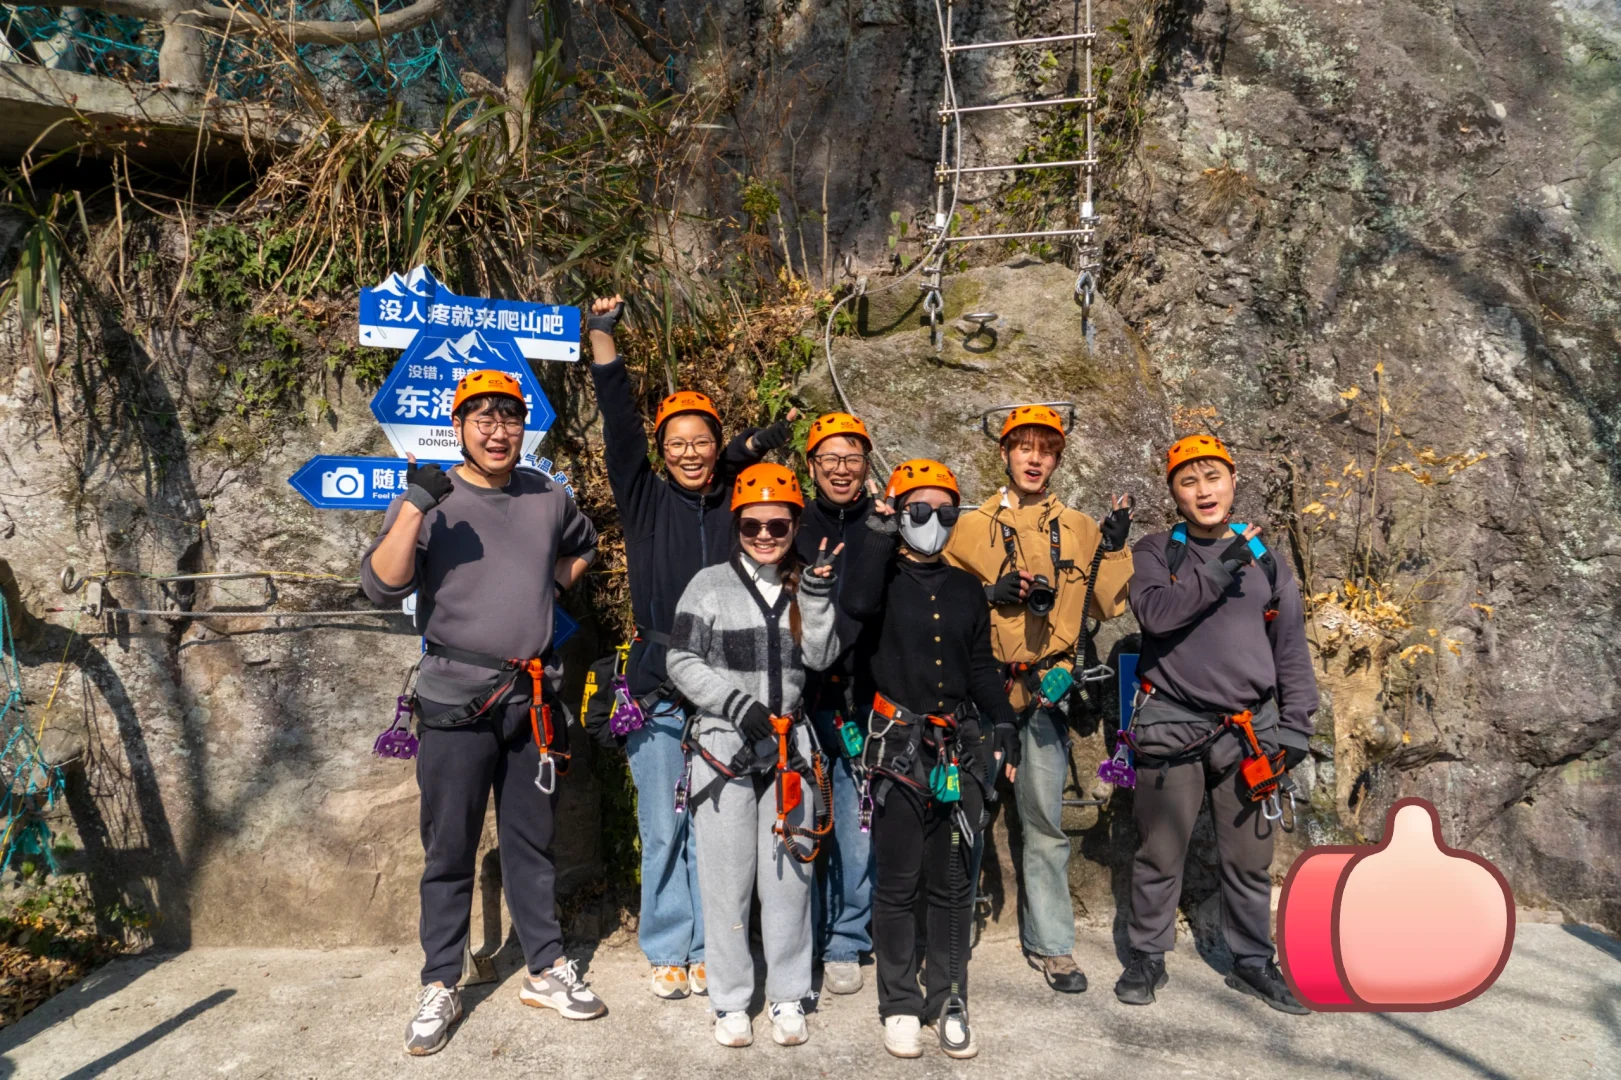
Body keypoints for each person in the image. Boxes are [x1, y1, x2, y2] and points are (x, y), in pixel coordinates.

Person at [361, 369, 607, 1057]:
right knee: (449, 849)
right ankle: (441, 980)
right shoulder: (433, 498)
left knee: (532, 843)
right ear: (459, 425)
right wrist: (412, 506)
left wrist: (549, 586)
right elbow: (381, 586)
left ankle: (544, 968)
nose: (498, 431)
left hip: (529, 702)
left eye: (509, 418)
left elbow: (583, 545)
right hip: (453, 700)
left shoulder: (545, 496)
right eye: (483, 418)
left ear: (522, 427)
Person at [585, 296, 794, 1000]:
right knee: (663, 822)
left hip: (727, 689)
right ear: (662, 448)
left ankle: (713, 946)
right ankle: (667, 945)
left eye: (700, 438)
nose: (689, 450)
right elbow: (618, 425)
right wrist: (602, 337)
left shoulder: (737, 502)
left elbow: (752, 470)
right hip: (653, 682)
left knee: (719, 827)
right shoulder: (643, 499)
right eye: (675, 439)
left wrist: (760, 440)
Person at [1113, 434, 1317, 1014]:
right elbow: (1155, 613)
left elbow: (1290, 647)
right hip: (1171, 720)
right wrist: (1226, 563)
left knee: (1250, 858)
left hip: (1251, 730)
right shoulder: (1156, 552)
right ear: (1174, 493)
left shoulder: (1270, 560)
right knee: (1160, 851)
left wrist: (1297, 726)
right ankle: (1147, 956)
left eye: (1213, 478)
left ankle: (1253, 960)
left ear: (1232, 482)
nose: (1203, 491)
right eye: (1189, 481)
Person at [942, 404, 1134, 994]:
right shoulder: (969, 524)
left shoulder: (1079, 527)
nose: (1034, 458)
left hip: (1049, 689)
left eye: (1045, 449)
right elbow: (939, 603)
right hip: (983, 689)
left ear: (1056, 458)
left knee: (1045, 822)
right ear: (1004, 454)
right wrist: (986, 592)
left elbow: (1107, 606)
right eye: (1023, 447)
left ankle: (1053, 946)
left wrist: (1116, 546)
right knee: (961, 817)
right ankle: (949, 936)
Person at [841, 459, 1020, 1059]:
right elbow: (857, 606)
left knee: (950, 884)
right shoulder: (880, 574)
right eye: (919, 511)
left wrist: (1004, 723)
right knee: (896, 884)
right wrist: (877, 531)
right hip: (895, 746)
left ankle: (947, 998)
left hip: (958, 748)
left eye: (945, 512)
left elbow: (979, 666)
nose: (933, 522)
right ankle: (897, 1002)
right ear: (899, 512)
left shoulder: (969, 586)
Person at [665, 463, 842, 1048]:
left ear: (794, 524)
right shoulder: (709, 585)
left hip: (790, 749)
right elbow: (682, 661)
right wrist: (736, 705)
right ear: (736, 524)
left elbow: (819, 657)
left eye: (778, 524)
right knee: (726, 878)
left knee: (789, 873)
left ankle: (788, 993)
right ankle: (731, 1000)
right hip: (725, 749)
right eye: (752, 525)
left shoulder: (802, 586)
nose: (765, 535)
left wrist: (816, 595)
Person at [793, 411, 884, 995]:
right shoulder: (790, 524)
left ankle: (848, 938)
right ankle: (802, 934)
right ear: (811, 467)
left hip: (864, 696)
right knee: (801, 822)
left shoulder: (886, 526)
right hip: (802, 695)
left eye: (852, 458)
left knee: (856, 824)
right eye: (830, 459)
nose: (842, 470)